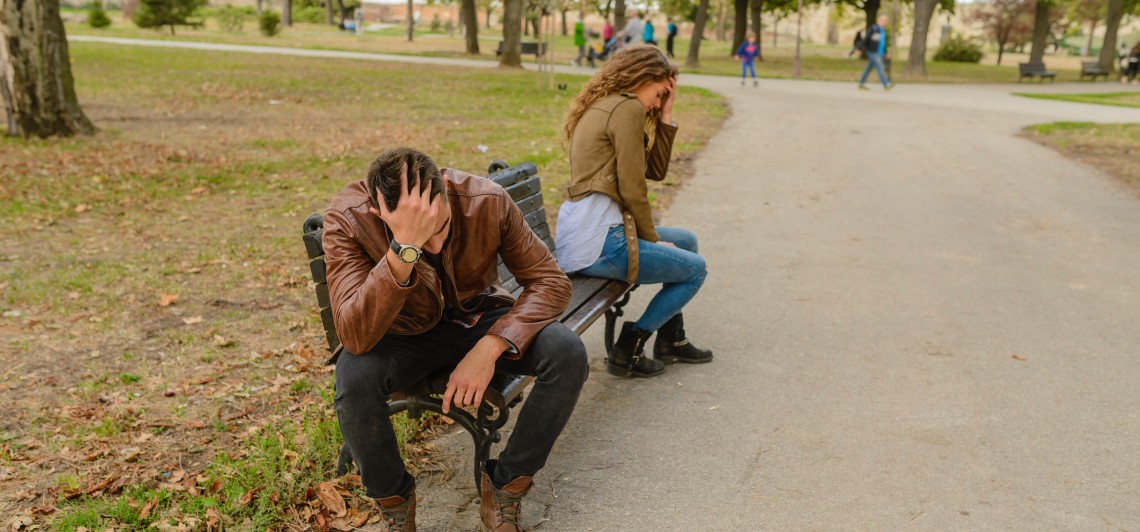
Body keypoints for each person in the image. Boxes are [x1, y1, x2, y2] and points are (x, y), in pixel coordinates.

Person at [324, 147, 588, 531]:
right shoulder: (349, 219)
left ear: (445, 189)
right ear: (381, 213)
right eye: (418, 239)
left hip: (477, 318)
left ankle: (504, 490)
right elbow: (354, 335)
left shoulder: (484, 200)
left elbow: (549, 282)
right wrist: (402, 251)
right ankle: (395, 508)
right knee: (354, 379)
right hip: (399, 332)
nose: (432, 247)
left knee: (566, 352)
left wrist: (492, 345)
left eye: (439, 228)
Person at [557, 46, 713, 379]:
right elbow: (632, 188)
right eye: (659, 94)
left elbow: (653, 171)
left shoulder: (612, 104)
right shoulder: (625, 108)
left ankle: (671, 339)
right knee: (696, 270)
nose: (658, 103)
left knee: (687, 241)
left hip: (593, 233)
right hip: (599, 242)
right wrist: (653, 239)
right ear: (642, 77)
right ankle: (631, 344)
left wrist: (666, 114)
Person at [858, 15, 892, 91]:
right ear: (879, 20)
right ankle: (886, 84)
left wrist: (886, 53)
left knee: (868, 69)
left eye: (885, 21)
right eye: (883, 20)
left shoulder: (882, 30)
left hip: (879, 52)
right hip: (872, 51)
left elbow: (883, 43)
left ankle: (861, 84)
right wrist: (860, 48)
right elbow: (866, 39)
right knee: (880, 67)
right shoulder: (874, 29)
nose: (884, 22)